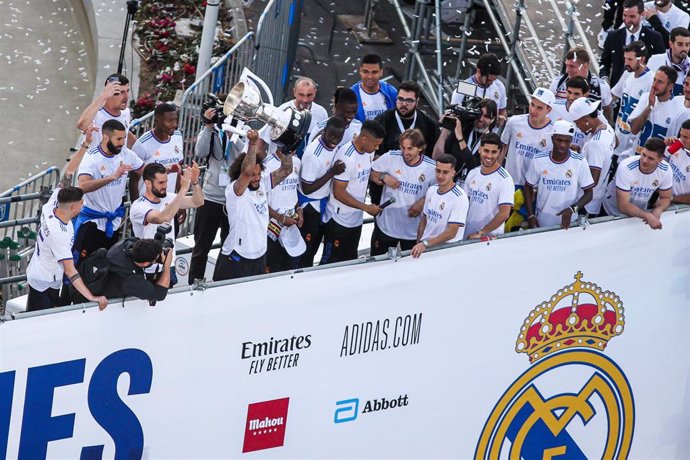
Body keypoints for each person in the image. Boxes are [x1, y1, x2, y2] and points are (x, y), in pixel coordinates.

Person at [213, 130, 294, 280]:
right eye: (252, 175)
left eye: (258, 174)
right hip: (236, 257)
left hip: (260, 256)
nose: (256, 178)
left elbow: (287, 170)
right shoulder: (235, 191)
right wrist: (253, 143)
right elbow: (247, 171)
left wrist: (287, 146)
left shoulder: (263, 183)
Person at [26, 186, 108, 311]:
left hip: (43, 272)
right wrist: (91, 297)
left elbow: (60, 188)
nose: (84, 205)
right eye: (82, 203)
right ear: (73, 208)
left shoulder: (50, 207)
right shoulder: (59, 235)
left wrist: (69, 173)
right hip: (44, 281)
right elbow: (70, 271)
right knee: (42, 320)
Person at [188, 104, 246, 283]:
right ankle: (194, 282)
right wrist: (208, 126)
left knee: (228, 246)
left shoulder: (244, 131)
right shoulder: (212, 131)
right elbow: (200, 152)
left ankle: (221, 281)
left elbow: (243, 156)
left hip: (232, 199)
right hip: (211, 197)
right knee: (201, 246)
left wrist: (233, 134)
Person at [74, 119, 144, 262]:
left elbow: (145, 169)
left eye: (124, 138)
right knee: (86, 267)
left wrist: (167, 170)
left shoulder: (125, 154)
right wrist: (112, 177)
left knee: (107, 265)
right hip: (92, 224)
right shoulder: (92, 157)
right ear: (106, 137)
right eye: (118, 139)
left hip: (113, 223)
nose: (122, 142)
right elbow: (83, 186)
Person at [321, 120, 385, 264]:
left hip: (355, 219)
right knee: (331, 263)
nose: (377, 147)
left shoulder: (369, 151)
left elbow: (363, 171)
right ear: (364, 139)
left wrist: (374, 176)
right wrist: (366, 207)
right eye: (375, 144)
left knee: (350, 261)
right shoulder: (346, 157)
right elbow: (339, 193)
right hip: (339, 220)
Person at [129, 162, 204, 279]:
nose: (165, 186)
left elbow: (198, 202)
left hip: (169, 263)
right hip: (147, 267)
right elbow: (161, 218)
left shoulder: (169, 197)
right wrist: (183, 189)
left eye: (166, 181)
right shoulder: (139, 206)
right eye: (161, 183)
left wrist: (195, 182)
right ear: (148, 183)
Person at [369, 129, 437, 255]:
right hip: (386, 226)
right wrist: (383, 176)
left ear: (420, 148)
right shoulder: (391, 157)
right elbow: (370, 172)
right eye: (403, 147)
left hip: (413, 231)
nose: (405, 152)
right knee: (377, 265)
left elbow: (439, 192)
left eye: (410, 148)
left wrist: (422, 203)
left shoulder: (431, 168)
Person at [524, 120, 595, 229]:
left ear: (571, 141)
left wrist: (573, 209)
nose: (562, 145)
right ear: (552, 138)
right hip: (541, 223)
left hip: (569, 223)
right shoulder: (539, 159)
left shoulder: (579, 161)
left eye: (567, 141)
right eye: (559, 140)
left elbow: (589, 194)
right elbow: (528, 186)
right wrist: (530, 215)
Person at [297, 117, 346, 268]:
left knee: (313, 248)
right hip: (310, 207)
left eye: (338, 137)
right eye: (331, 136)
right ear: (324, 131)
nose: (335, 140)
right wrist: (332, 172)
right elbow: (307, 188)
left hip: (321, 204)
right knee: (306, 251)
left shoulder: (333, 146)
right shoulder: (314, 154)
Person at [602, 137, 673, 227]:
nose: (644, 160)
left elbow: (666, 197)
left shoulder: (666, 170)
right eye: (643, 154)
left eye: (650, 158)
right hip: (611, 212)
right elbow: (623, 205)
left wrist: (657, 211)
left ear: (660, 159)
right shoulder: (626, 167)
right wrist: (648, 216)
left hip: (638, 215)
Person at [411, 155, 469, 258]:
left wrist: (425, 244)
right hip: (426, 248)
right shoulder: (432, 190)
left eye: (445, 172)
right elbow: (424, 220)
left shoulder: (459, 197)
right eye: (438, 171)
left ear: (453, 173)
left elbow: (452, 232)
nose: (440, 176)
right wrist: (419, 242)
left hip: (445, 251)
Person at [569, 97, 617, 216]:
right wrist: (582, 151)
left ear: (586, 119)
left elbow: (592, 181)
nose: (577, 127)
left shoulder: (596, 144)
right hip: (596, 200)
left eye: (577, 122)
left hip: (584, 205)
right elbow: (617, 143)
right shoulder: (607, 128)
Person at [258, 76, 329, 157]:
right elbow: (262, 141)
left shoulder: (321, 112)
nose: (305, 100)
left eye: (309, 95)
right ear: (294, 92)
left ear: (315, 93)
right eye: (301, 95)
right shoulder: (282, 111)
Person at [600, 0, 665, 89]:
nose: (627, 20)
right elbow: (604, 63)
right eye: (625, 15)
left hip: (643, 92)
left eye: (632, 16)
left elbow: (661, 68)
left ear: (642, 15)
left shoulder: (655, 38)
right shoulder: (613, 36)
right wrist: (605, 79)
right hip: (616, 91)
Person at [433, 99, 498, 184]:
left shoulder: (491, 141)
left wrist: (460, 138)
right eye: (479, 114)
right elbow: (437, 157)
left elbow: (474, 166)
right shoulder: (463, 130)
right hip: (450, 185)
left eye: (486, 116)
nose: (481, 119)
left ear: (493, 119)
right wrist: (446, 127)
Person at [462, 133, 514, 238]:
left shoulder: (505, 179)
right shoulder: (473, 173)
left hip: (489, 239)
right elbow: (465, 205)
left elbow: (504, 214)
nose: (489, 156)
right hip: (468, 235)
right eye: (486, 151)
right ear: (480, 149)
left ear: (499, 152)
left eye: (494, 152)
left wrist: (481, 233)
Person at [500, 88, 554, 187]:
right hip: (509, 184)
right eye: (532, 104)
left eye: (539, 108)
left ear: (549, 109)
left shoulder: (553, 133)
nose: (533, 110)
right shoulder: (513, 122)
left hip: (534, 189)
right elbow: (502, 149)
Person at [130, 103, 184, 201]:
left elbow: (179, 173)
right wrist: (136, 208)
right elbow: (134, 180)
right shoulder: (142, 144)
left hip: (169, 204)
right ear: (157, 120)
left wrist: (181, 203)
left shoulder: (178, 137)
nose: (174, 124)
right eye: (170, 120)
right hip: (148, 205)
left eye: (175, 119)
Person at [374, 80, 439, 158]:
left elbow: (432, 156)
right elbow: (375, 153)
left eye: (409, 100)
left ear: (417, 102)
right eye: (400, 99)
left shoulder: (430, 125)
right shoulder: (381, 121)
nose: (404, 104)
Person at [611, 41, 654, 155]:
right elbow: (613, 96)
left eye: (630, 59)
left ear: (642, 59)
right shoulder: (627, 74)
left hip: (631, 147)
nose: (626, 62)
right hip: (616, 140)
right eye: (625, 58)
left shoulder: (651, 81)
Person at [548, 77, 611, 152]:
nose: (571, 97)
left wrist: (581, 150)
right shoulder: (552, 107)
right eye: (569, 92)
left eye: (576, 94)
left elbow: (610, 139)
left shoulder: (596, 115)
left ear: (586, 94)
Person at [266, 148, 303, 274]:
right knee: (270, 271)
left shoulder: (297, 162)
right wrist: (280, 218)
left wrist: (299, 209)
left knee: (289, 270)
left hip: (292, 222)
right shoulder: (267, 165)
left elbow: (294, 190)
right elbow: (260, 200)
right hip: (272, 227)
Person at [550, 47, 614, 120]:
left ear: (585, 66)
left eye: (572, 66)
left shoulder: (601, 87)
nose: (567, 70)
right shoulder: (557, 82)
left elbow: (607, 110)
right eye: (566, 65)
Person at [102, 238, 173, 302]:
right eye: (156, 259)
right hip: (109, 302)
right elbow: (159, 294)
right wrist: (167, 265)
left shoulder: (126, 243)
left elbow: (145, 246)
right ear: (145, 264)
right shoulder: (131, 279)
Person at [76, 73, 136, 149]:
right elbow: (81, 125)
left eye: (127, 91)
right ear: (110, 93)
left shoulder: (126, 112)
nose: (127, 96)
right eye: (121, 92)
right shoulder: (96, 114)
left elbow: (126, 133)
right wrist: (103, 96)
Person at [628, 66, 679, 155]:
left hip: (656, 163)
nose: (654, 85)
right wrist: (649, 106)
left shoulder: (677, 110)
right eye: (654, 80)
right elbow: (634, 129)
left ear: (670, 86)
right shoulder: (645, 97)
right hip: (634, 156)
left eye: (660, 82)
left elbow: (675, 147)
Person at [451, 53, 508, 122]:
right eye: (488, 80)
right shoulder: (466, 87)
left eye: (494, 80)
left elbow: (502, 110)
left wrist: (502, 118)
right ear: (479, 71)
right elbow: (453, 116)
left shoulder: (499, 85)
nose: (491, 83)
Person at [351, 54, 398, 122]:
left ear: (381, 72)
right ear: (360, 71)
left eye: (374, 72)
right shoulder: (351, 95)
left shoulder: (391, 92)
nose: (370, 76)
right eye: (365, 72)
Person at [646, 27, 690, 96]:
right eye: (680, 44)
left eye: (687, 45)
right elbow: (646, 87)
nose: (684, 48)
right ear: (671, 44)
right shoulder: (655, 60)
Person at [668, 119, 690, 203]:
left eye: (686, 137)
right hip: (662, 198)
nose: (681, 139)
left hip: (680, 209)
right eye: (681, 135)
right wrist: (665, 147)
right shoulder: (677, 145)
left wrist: (670, 199)